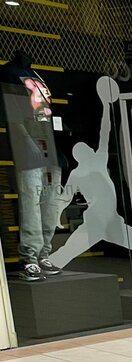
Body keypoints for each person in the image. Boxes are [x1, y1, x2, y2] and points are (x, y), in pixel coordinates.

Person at [48, 76, 132, 269]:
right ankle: (48, 265)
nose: (89, 150)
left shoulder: (94, 163)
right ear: (82, 155)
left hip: (111, 220)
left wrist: (106, 107)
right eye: (86, 149)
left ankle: (50, 264)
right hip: (96, 221)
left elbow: (105, 131)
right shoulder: (87, 167)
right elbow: (65, 198)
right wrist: (56, 215)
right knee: (67, 252)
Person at [0, 51, 62, 281]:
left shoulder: (36, 74)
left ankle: (44, 253)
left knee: (50, 203)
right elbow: (12, 114)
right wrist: (26, 141)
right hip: (27, 149)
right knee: (31, 204)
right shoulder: (8, 73)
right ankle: (30, 258)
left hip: (50, 146)